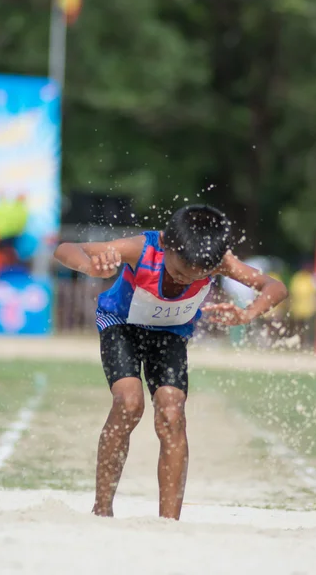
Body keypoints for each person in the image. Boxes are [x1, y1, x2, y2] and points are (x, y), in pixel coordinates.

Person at [54, 204, 288, 520]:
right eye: (177, 273)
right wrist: (90, 266)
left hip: (171, 334)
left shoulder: (220, 261)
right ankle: (102, 509)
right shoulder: (141, 248)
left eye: (196, 277)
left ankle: (169, 521)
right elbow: (66, 248)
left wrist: (249, 312)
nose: (181, 282)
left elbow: (275, 286)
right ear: (165, 245)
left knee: (172, 412)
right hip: (121, 324)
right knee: (129, 403)